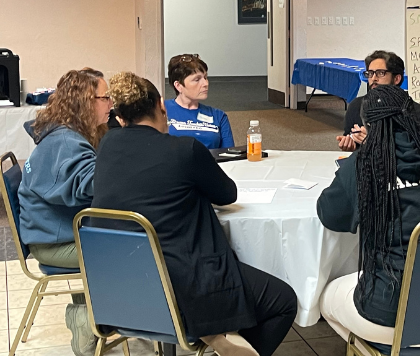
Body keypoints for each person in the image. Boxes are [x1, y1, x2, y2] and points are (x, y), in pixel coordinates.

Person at [92, 72, 297, 356]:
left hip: (123, 281)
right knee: (283, 301)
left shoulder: (107, 146)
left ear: (121, 117)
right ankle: (223, 333)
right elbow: (227, 195)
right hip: (181, 282)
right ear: (161, 106)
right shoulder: (185, 149)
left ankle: (222, 333)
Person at [318, 84, 420, 345]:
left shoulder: (364, 164)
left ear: (368, 124)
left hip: (393, 310)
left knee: (326, 297)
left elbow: (329, 214)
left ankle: (381, 349)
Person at [18, 69, 113, 356]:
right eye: (105, 97)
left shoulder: (67, 134)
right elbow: (88, 187)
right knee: (135, 248)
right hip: (52, 243)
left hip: (51, 232)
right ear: (85, 101)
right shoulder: (65, 142)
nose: (111, 103)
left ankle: (92, 312)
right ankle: (89, 319)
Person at [337, 50, 420, 152]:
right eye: (370, 73)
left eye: (381, 73)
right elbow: (349, 142)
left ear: (397, 79)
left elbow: (419, 154)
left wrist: (374, 142)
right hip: (363, 165)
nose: (373, 78)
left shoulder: (416, 112)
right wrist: (349, 145)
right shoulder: (357, 106)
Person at [165, 54, 234, 149]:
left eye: (205, 77)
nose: (205, 84)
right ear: (178, 86)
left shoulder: (219, 116)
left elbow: (229, 156)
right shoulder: (161, 110)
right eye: (197, 79)